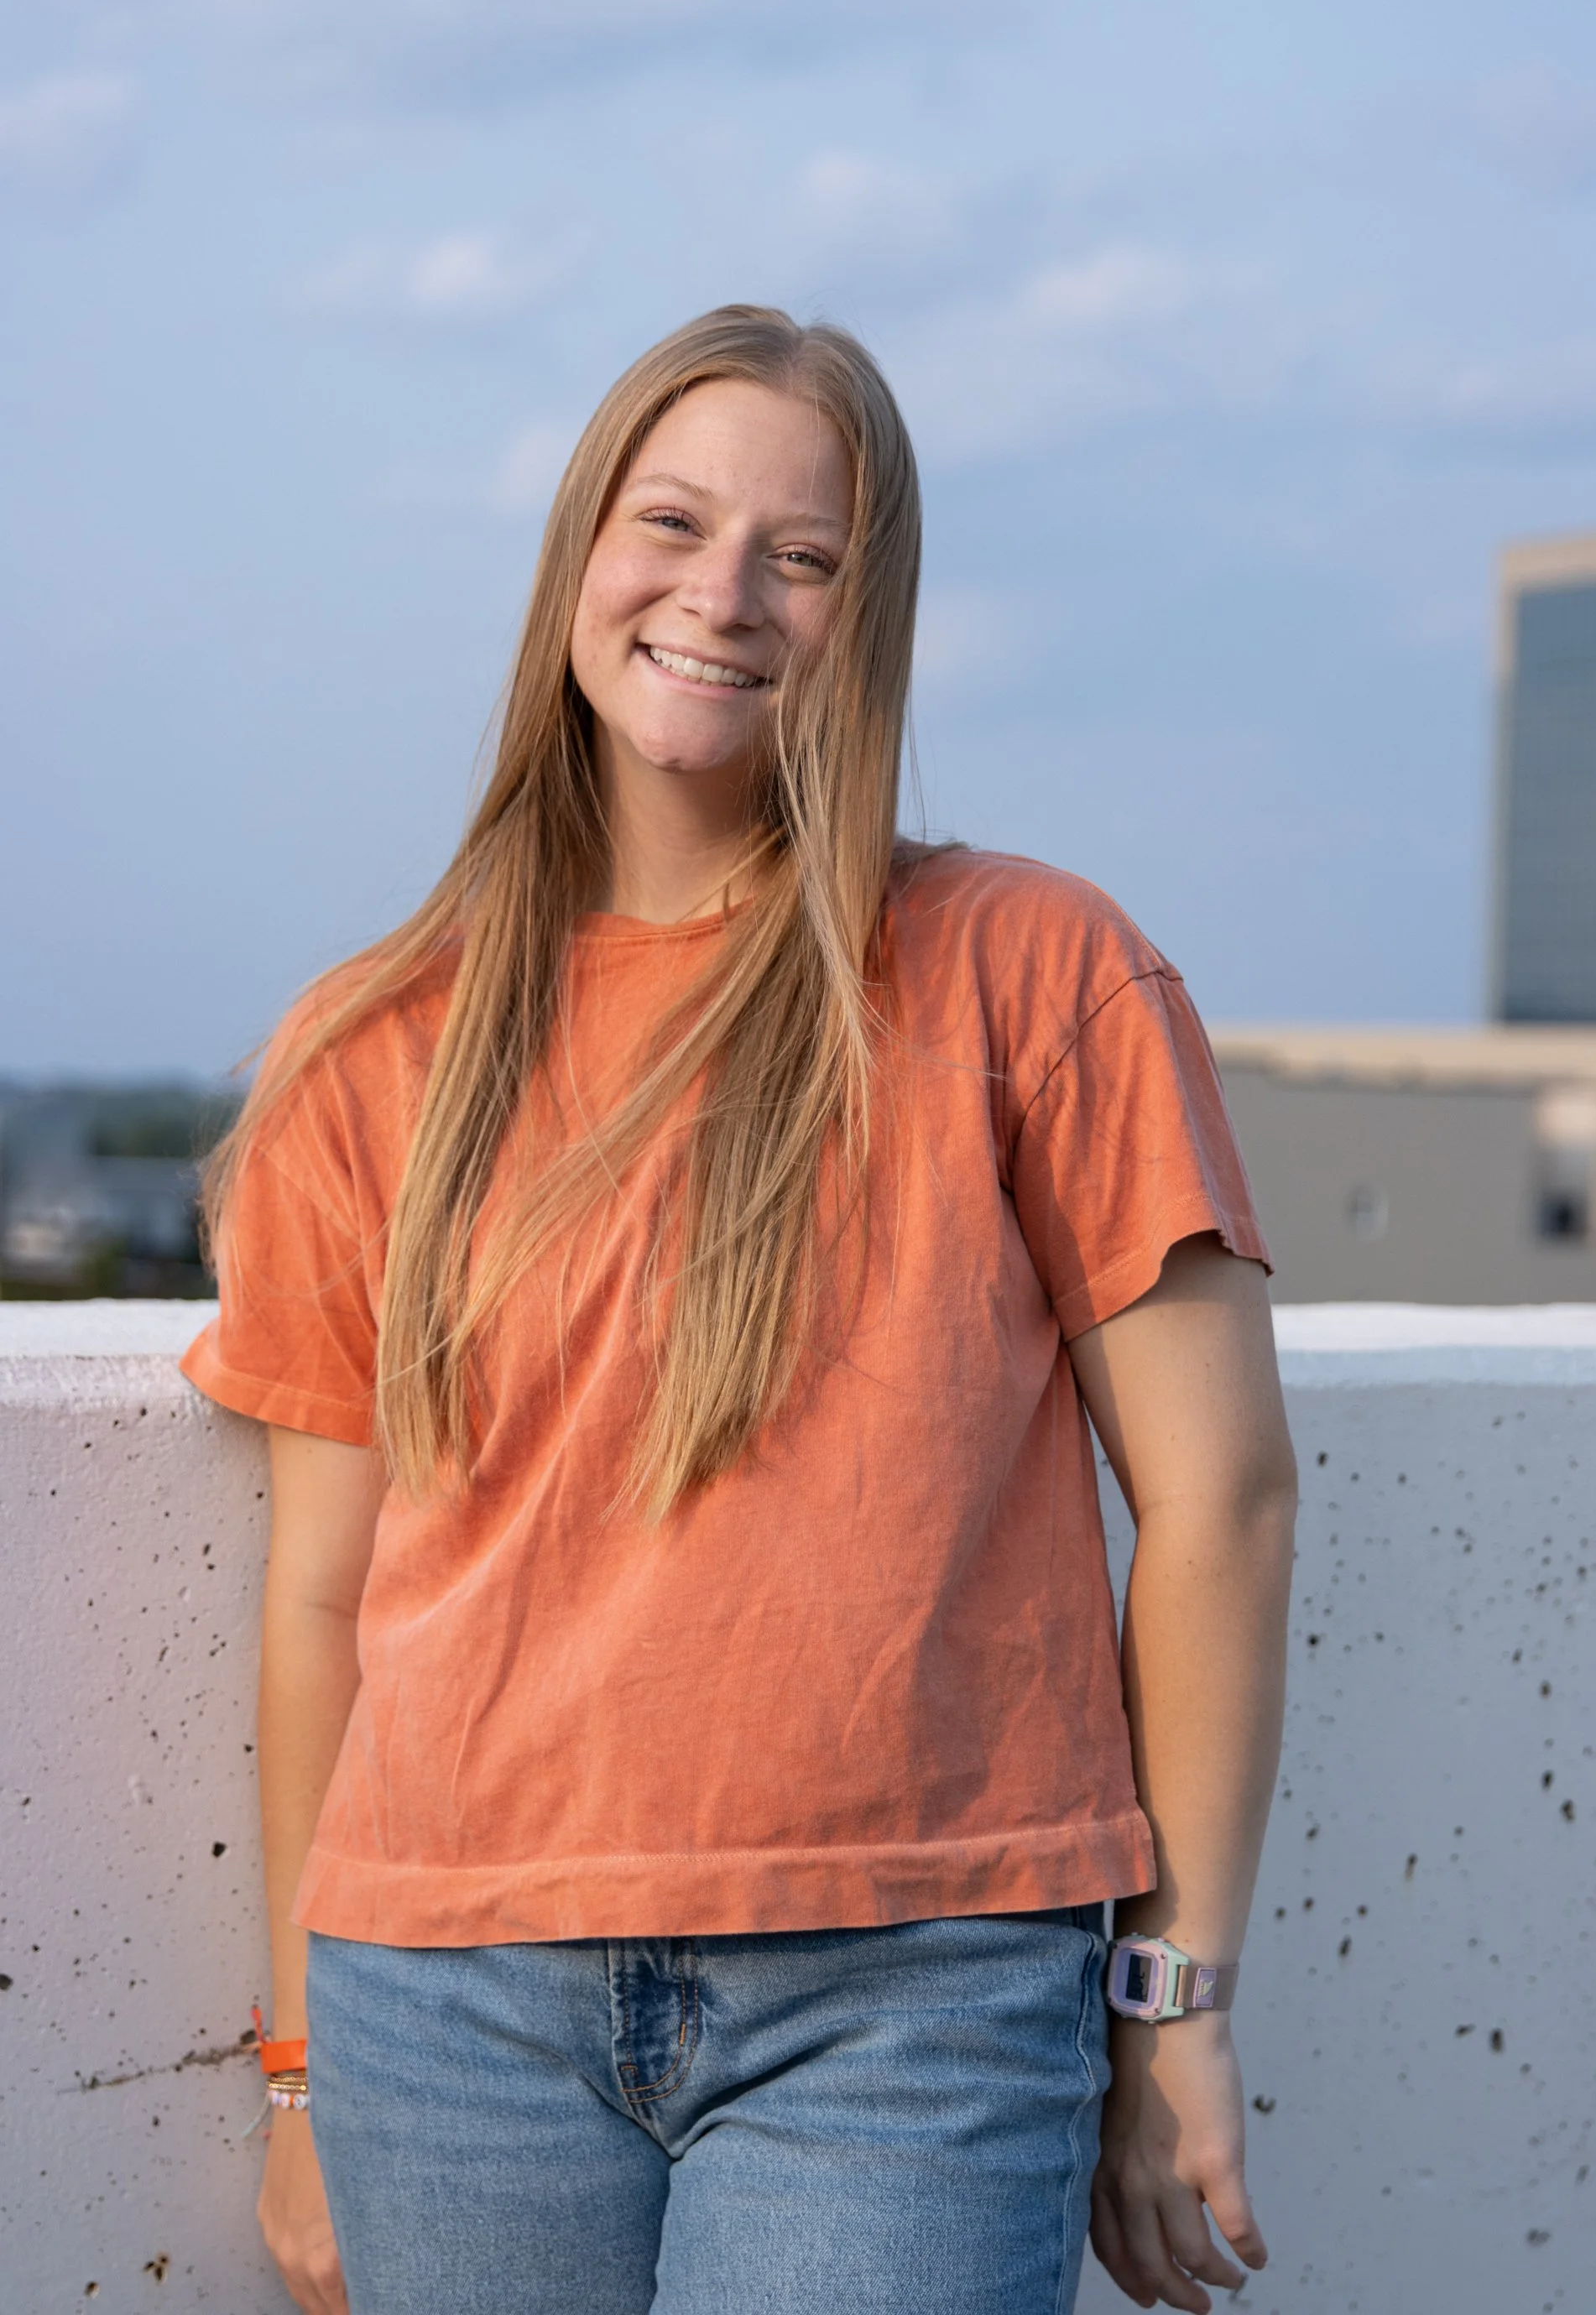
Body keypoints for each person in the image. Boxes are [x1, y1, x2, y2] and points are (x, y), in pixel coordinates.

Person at [183, 304, 1296, 2315]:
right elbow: (325, 1600)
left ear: (868, 622)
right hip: (443, 2013)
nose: (725, 594)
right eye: (673, 523)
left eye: (804, 555)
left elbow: (1219, 1505)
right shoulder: (366, 1049)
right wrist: (294, 2079)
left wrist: (1176, 2006)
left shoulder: (1030, 973)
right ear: (577, 562)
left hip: (915, 2000)